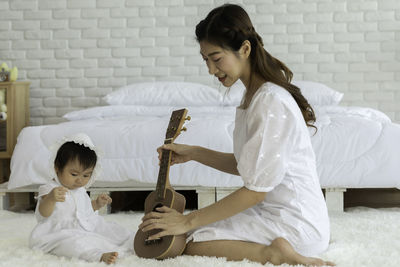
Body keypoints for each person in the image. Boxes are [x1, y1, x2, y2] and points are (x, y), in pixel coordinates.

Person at [138, 4, 335, 266]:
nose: (210, 69)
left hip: (297, 223)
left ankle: (275, 255)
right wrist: (194, 153)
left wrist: (186, 220)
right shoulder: (253, 97)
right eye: (205, 60)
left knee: (189, 239)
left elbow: (255, 191)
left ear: (244, 49)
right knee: (188, 232)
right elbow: (250, 167)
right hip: (275, 212)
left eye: (216, 58)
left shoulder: (269, 101)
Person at [29, 133, 134, 264]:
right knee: (75, 244)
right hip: (60, 232)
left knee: (111, 229)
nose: (80, 180)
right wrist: (50, 199)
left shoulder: (80, 191)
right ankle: (97, 255)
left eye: (86, 175)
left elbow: (84, 210)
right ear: (57, 168)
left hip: (85, 225)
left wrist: (96, 204)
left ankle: (134, 241)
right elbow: (43, 214)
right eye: (74, 174)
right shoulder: (49, 189)